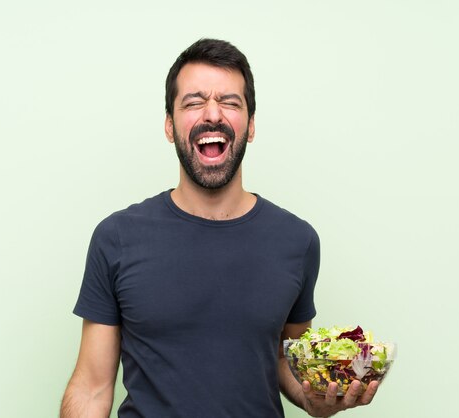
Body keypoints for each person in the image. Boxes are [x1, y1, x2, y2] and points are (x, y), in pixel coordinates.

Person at [60, 38, 378, 418]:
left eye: (230, 102)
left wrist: (316, 398)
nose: (212, 114)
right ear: (169, 125)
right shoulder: (116, 238)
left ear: (252, 125)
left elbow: (282, 357)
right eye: (194, 102)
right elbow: (92, 388)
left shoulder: (298, 241)